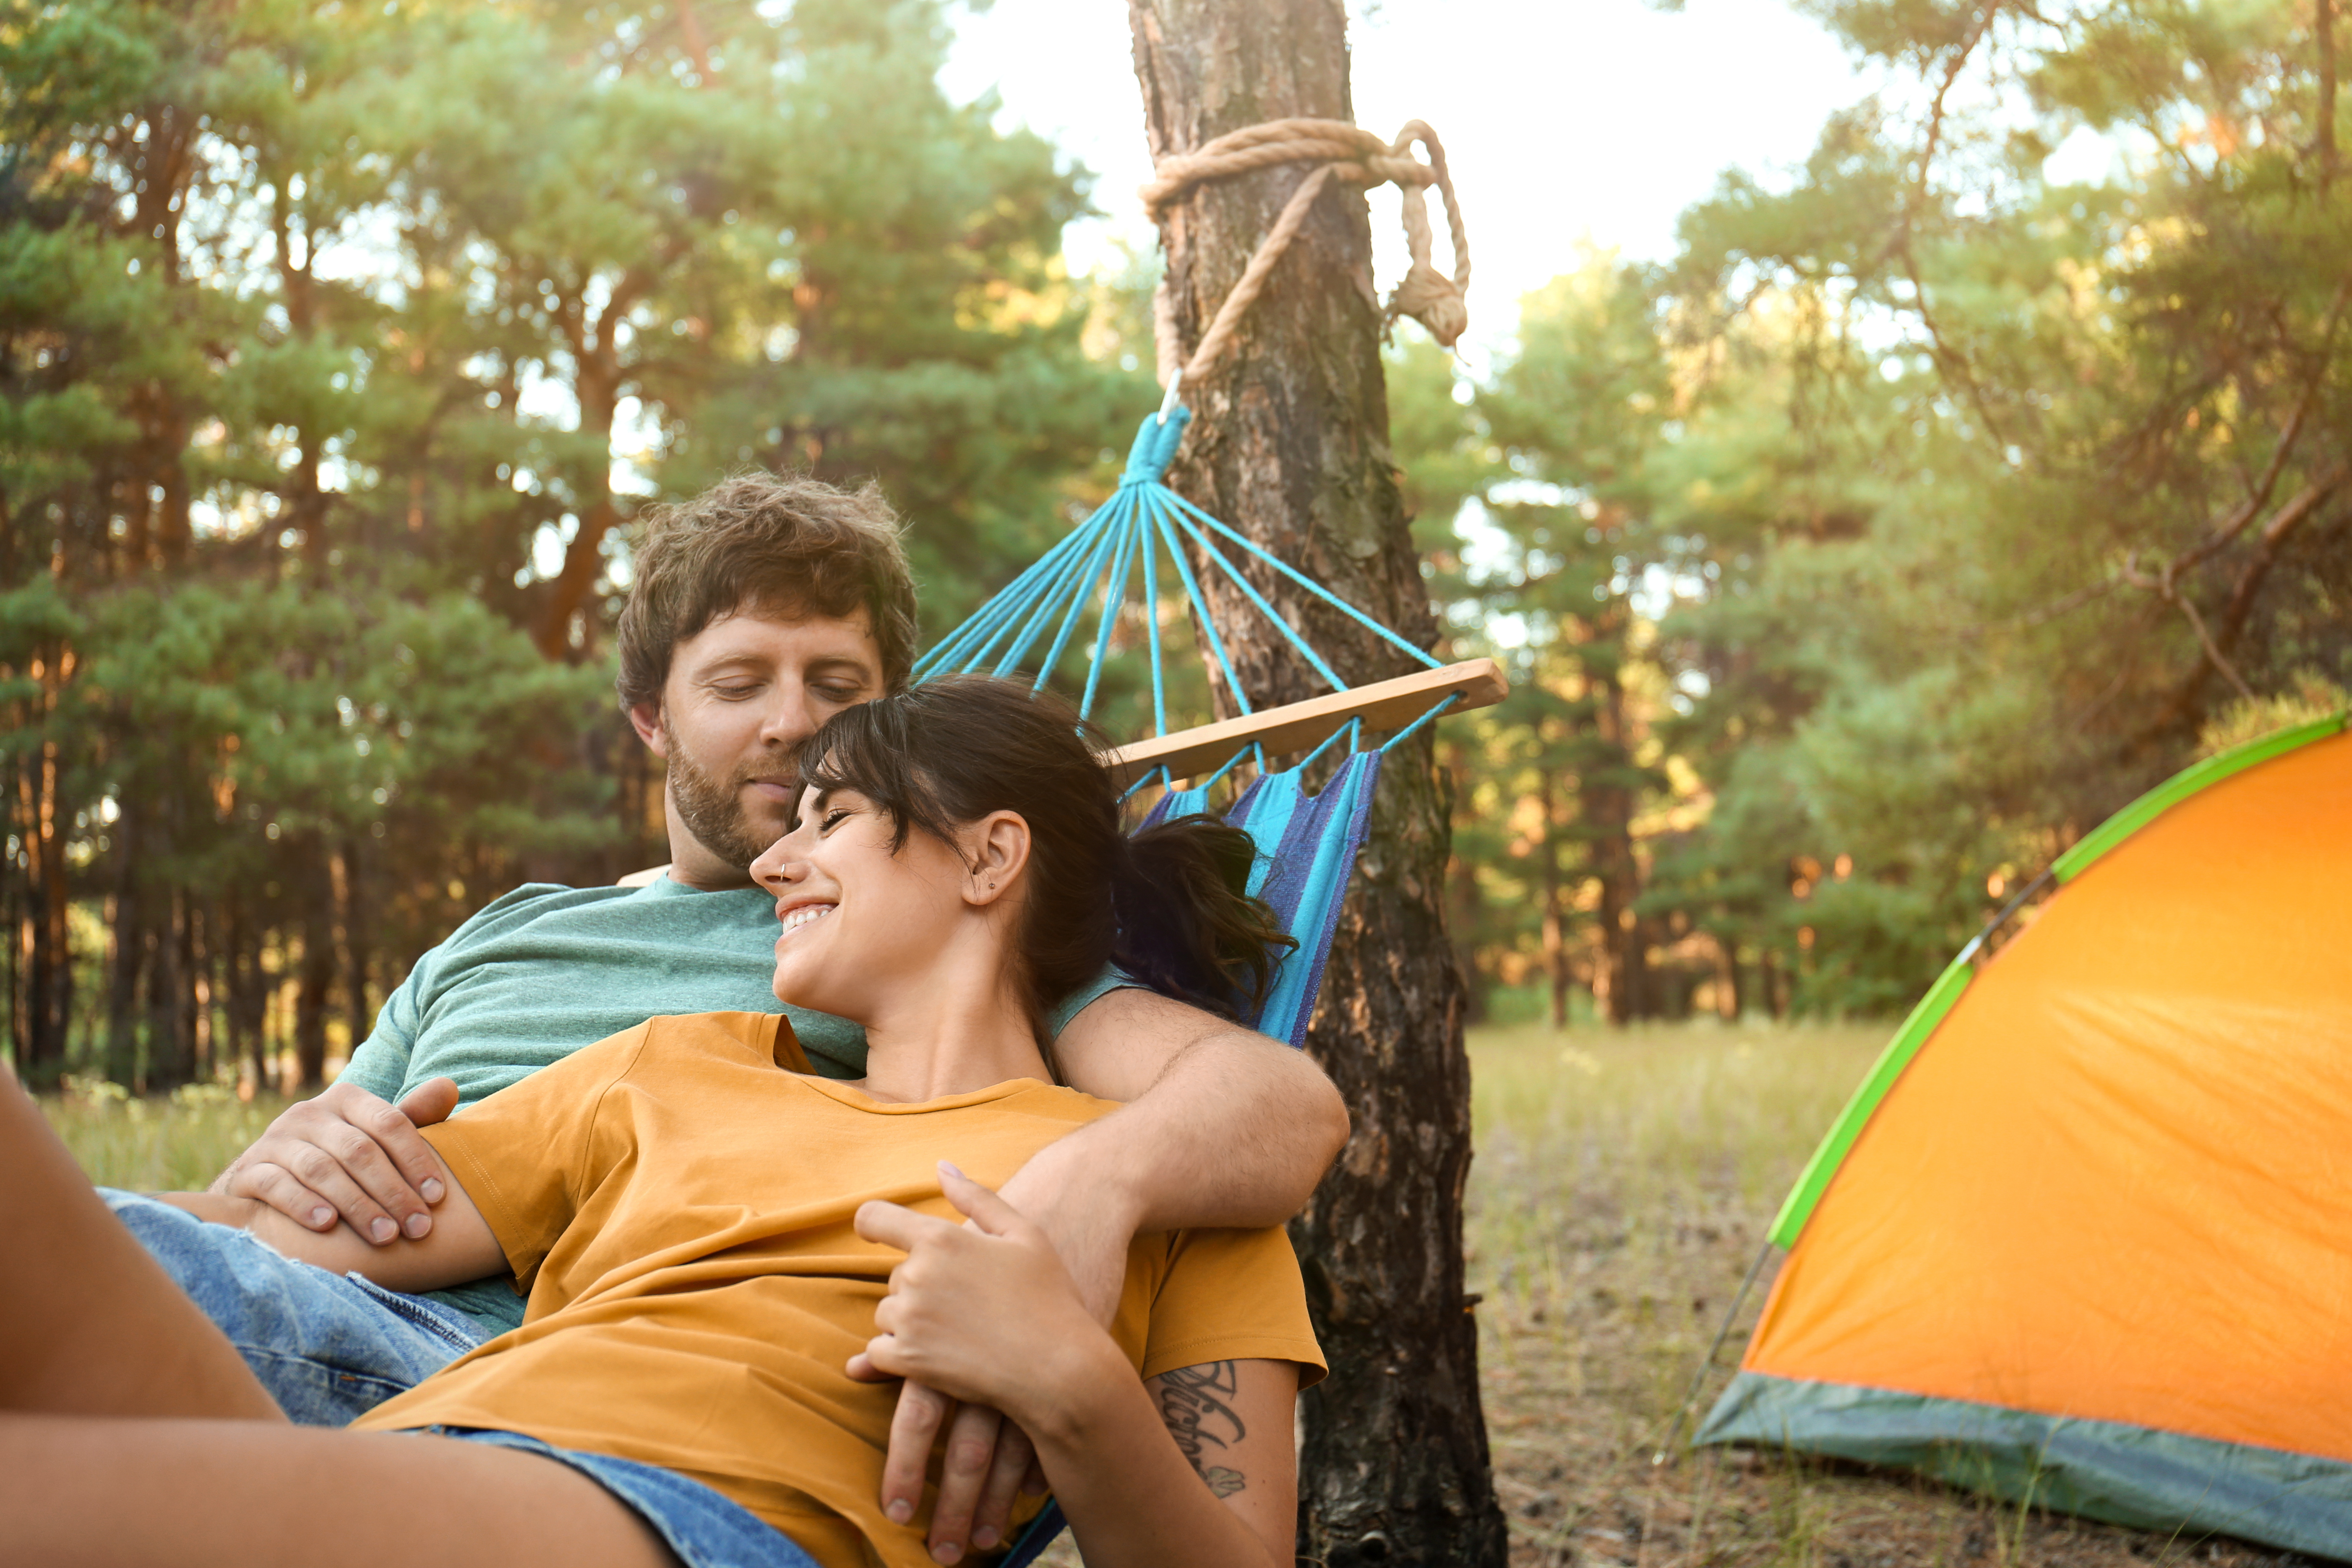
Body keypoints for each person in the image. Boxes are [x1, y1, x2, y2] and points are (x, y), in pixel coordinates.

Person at [122, 473, 1348, 1559]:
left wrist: (1090, 1217)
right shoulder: (638, 1039)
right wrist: (278, 1159)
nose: (791, 724)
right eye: (739, 681)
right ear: (652, 713)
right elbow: (259, 1227)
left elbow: (1274, 1106)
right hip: (433, 1396)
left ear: (981, 853)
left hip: (621, 1470)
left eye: (837, 696)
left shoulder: (1091, 1085)